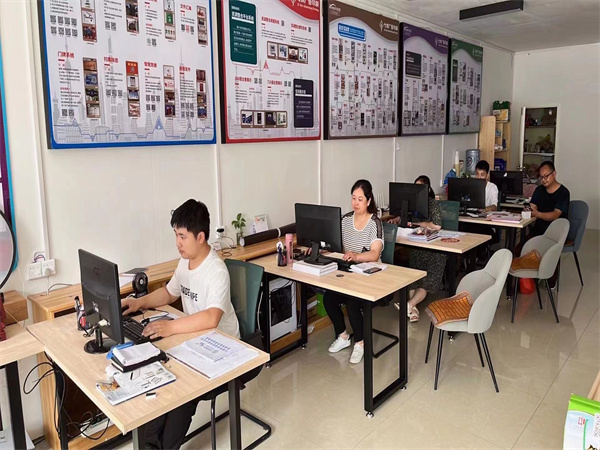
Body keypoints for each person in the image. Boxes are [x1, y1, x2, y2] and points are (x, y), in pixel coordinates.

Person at [122, 199, 239, 449]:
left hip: (223, 348)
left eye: (182, 236)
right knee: (159, 380)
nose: (178, 243)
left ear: (200, 237)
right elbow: (169, 292)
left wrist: (171, 328)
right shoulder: (185, 262)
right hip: (194, 341)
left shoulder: (216, 270)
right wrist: (139, 302)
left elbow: (212, 318)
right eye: (176, 235)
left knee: (181, 393)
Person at [324, 179, 384, 364]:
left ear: (369, 200)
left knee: (352, 303)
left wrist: (356, 256)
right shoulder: (345, 220)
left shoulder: (374, 222)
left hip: (370, 275)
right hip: (348, 273)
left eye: (360, 199)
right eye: (353, 198)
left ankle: (360, 343)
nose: (356, 203)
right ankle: (343, 336)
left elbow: (374, 254)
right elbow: (335, 245)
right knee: (329, 299)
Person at [389, 176, 445, 322]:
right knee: (414, 279)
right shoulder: (411, 203)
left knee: (426, 281)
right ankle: (412, 308)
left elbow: (437, 226)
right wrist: (397, 219)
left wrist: (418, 224)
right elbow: (406, 219)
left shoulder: (432, 203)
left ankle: (408, 305)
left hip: (434, 250)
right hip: (417, 247)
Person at [529, 160, 569, 236]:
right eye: (541, 177)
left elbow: (555, 215)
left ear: (554, 174)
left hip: (556, 232)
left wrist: (537, 214)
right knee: (525, 241)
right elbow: (532, 206)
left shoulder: (563, 192)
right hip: (539, 230)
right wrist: (530, 210)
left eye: (546, 176)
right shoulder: (539, 190)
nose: (543, 180)